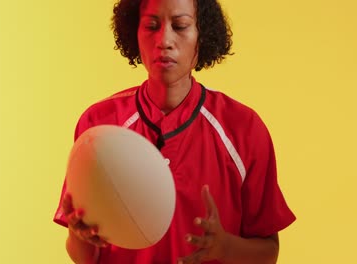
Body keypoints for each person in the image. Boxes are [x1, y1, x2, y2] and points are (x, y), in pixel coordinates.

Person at [53, 0, 296, 263]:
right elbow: (85, 256)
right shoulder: (99, 126)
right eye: (151, 26)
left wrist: (225, 247)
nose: (164, 40)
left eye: (180, 26)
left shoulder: (243, 128)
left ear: (203, 35)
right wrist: (80, 237)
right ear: (134, 32)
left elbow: (269, 252)